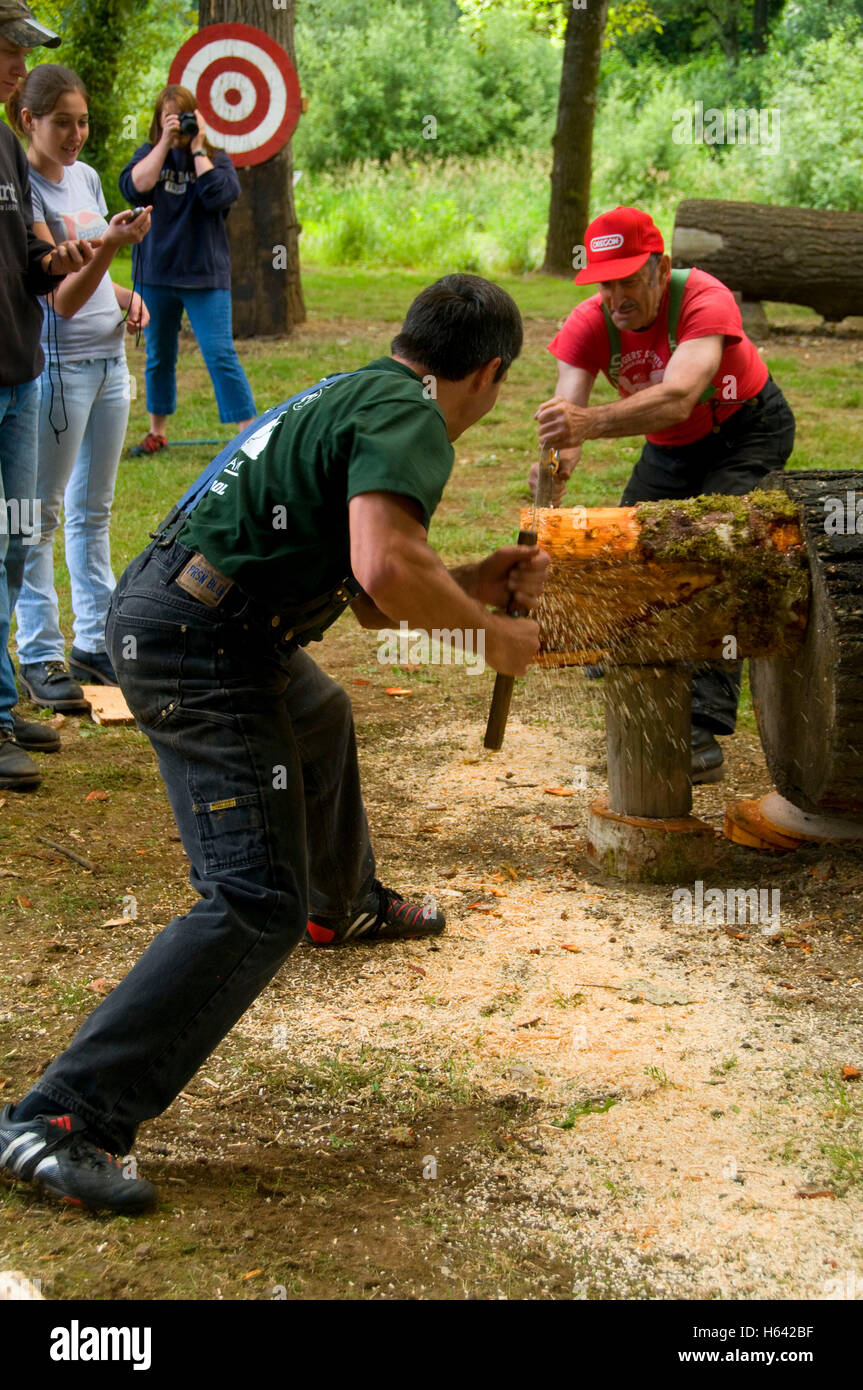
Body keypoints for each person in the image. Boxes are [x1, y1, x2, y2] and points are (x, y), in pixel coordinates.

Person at [0, 274, 550, 1213]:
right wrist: (491, 635)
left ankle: (347, 904)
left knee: (321, 712)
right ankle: (60, 1118)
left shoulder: (357, 389)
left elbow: (376, 600)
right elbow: (386, 564)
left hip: (203, 617)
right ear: (490, 374)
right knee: (254, 900)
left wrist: (471, 583)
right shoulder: (411, 414)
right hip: (199, 642)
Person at [533, 205, 796, 784]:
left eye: (630, 277)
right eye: (606, 282)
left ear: (662, 268)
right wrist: (550, 481)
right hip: (672, 447)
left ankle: (699, 728)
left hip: (744, 430)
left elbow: (679, 396)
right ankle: (631, 654)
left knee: (719, 556)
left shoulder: (705, 298)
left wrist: (589, 424)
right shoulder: (588, 322)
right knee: (627, 553)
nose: (617, 295)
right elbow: (566, 422)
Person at [7, 64, 152, 711]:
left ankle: (95, 642)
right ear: (28, 120)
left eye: (82, 121)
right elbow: (62, 298)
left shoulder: (89, 178)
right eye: (62, 121)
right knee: (38, 517)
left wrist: (127, 295)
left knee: (94, 514)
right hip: (60, 369)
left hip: (109, 362)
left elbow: (94, 279)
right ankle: (40, 653)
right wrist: (111, 250)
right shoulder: (23, 186)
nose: (75, 134)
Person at [0, 2, 106, 790]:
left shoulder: (4, 145)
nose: (16, 63)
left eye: (22, 51)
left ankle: (3, 707)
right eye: (10, 48)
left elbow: (28, 270)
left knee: (16, 538)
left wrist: (62, 259)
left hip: (19, 375)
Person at [119, 83, 256, 456]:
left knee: (219, 352)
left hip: (203, 275)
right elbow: (135, 186)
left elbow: (219, 195)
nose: (177, 126)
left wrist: (197, 148)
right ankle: (156, 432)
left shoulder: (216, 160)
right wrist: (165, 142)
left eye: (183, 118)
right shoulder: (149, 154)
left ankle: (250, 436)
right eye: (169, 120)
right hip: (157, 273)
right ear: (157, 123)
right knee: (159, 354)